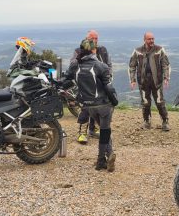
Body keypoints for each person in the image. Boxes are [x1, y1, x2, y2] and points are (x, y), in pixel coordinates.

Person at [63, 38, 117, 172]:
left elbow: (66, 80)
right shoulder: (101, 66)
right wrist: (115, 101)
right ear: (94, 50)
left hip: (88, 105)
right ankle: (101, 160)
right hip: (104, 105)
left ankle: (107, 156)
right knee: (105, 131)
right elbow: (109, 88)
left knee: (105, 131)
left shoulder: (75, 65)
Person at [69, 30, 112, 144]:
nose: (94, 40)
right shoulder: (79, 51)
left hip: (100, 84)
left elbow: (108, 64)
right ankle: (82, 133)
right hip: (86, 84)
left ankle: (94, 129)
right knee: (86, 107)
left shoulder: (102, 50)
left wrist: (109, 77)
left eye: (96, 38)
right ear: (86, 39)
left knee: (99, 106)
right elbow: (73, 65)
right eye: (92, 38)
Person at [129, 32, 171, 131]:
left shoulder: (159, 49)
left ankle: (165, 121)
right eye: (149, 39)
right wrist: (132, 79)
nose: (151, 41)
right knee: (145, 102)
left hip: (157, 81)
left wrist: (166, 77)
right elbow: (132, 65)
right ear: (144, 40)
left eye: (153, 39)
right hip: (143, 81)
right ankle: (146, 121)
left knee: (160, 102)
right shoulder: (137, 51)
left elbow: (166, 64)